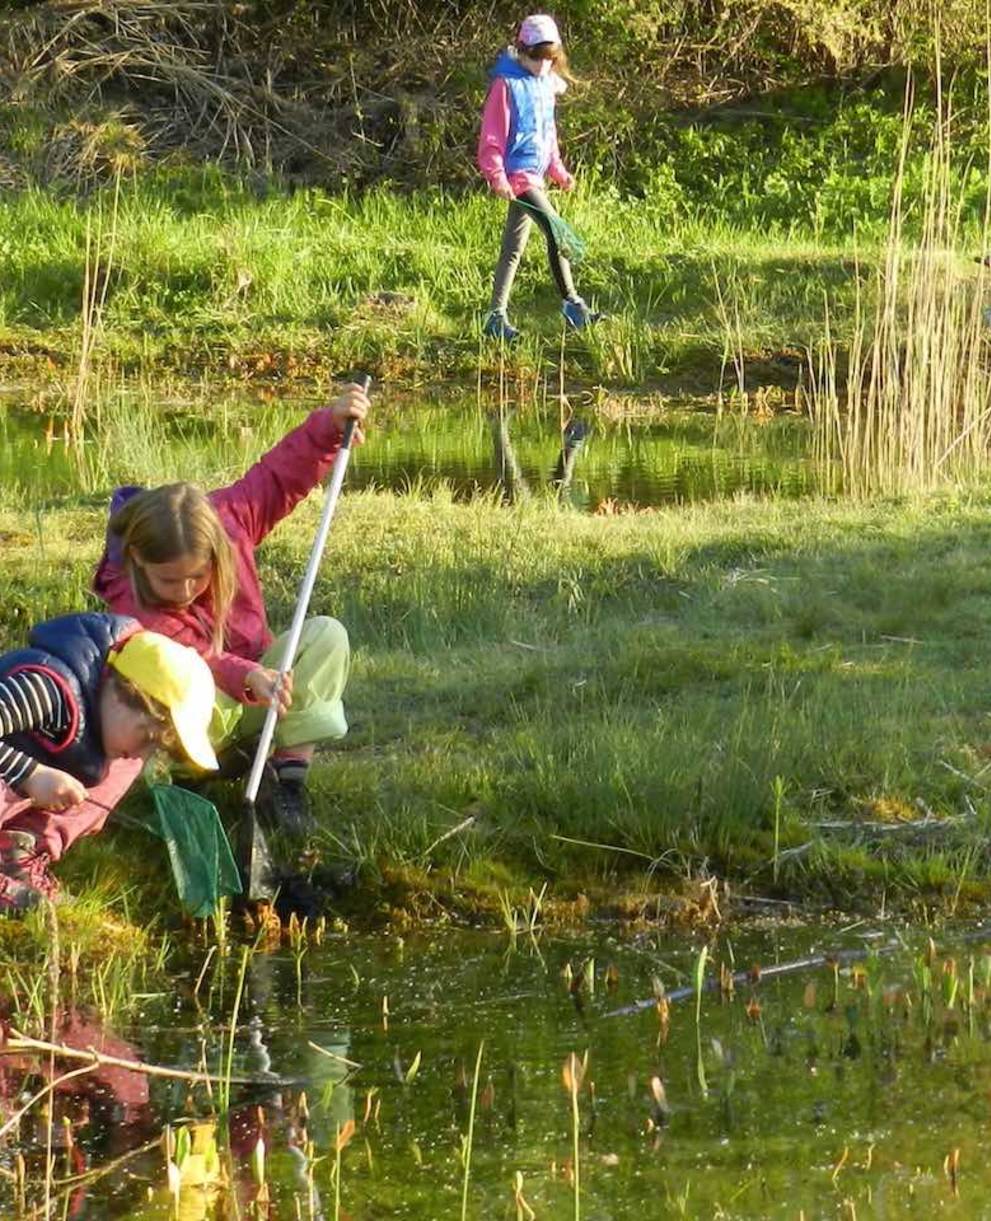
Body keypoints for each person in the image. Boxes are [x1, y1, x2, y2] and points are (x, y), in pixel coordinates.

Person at [92, 384, 370, 841]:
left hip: (254, 704)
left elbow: (280, 475)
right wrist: (248, 677)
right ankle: (188, 784)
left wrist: (328, 428)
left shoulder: (231, 521)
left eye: (197, 577)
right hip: (191, 729)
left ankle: (289, 783)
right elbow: (191, 660)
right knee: (180, 686)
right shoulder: (129, 598)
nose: (184, 590)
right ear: (139, 559)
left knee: (325, 634)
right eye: (169, 580)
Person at [0, 611, 217, 912]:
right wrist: (30, 774)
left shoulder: (106, 730)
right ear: (123, 694)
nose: (143, 754)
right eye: (146, 738)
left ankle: (16, 853)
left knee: (120, 769)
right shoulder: (47, 690)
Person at [477, 13, 601, 341]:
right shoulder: (506, 85)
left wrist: (558, 172)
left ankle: (495, 317)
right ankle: (573, 306)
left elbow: (548, 136)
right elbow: (492, 137)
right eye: (538, 59)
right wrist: (497, 176)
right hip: (517, 178)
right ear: (524, 51)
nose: (544, 67)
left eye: (551, 60)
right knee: (557, 230)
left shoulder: (545, 85)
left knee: (512, 250)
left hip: (535, 175)